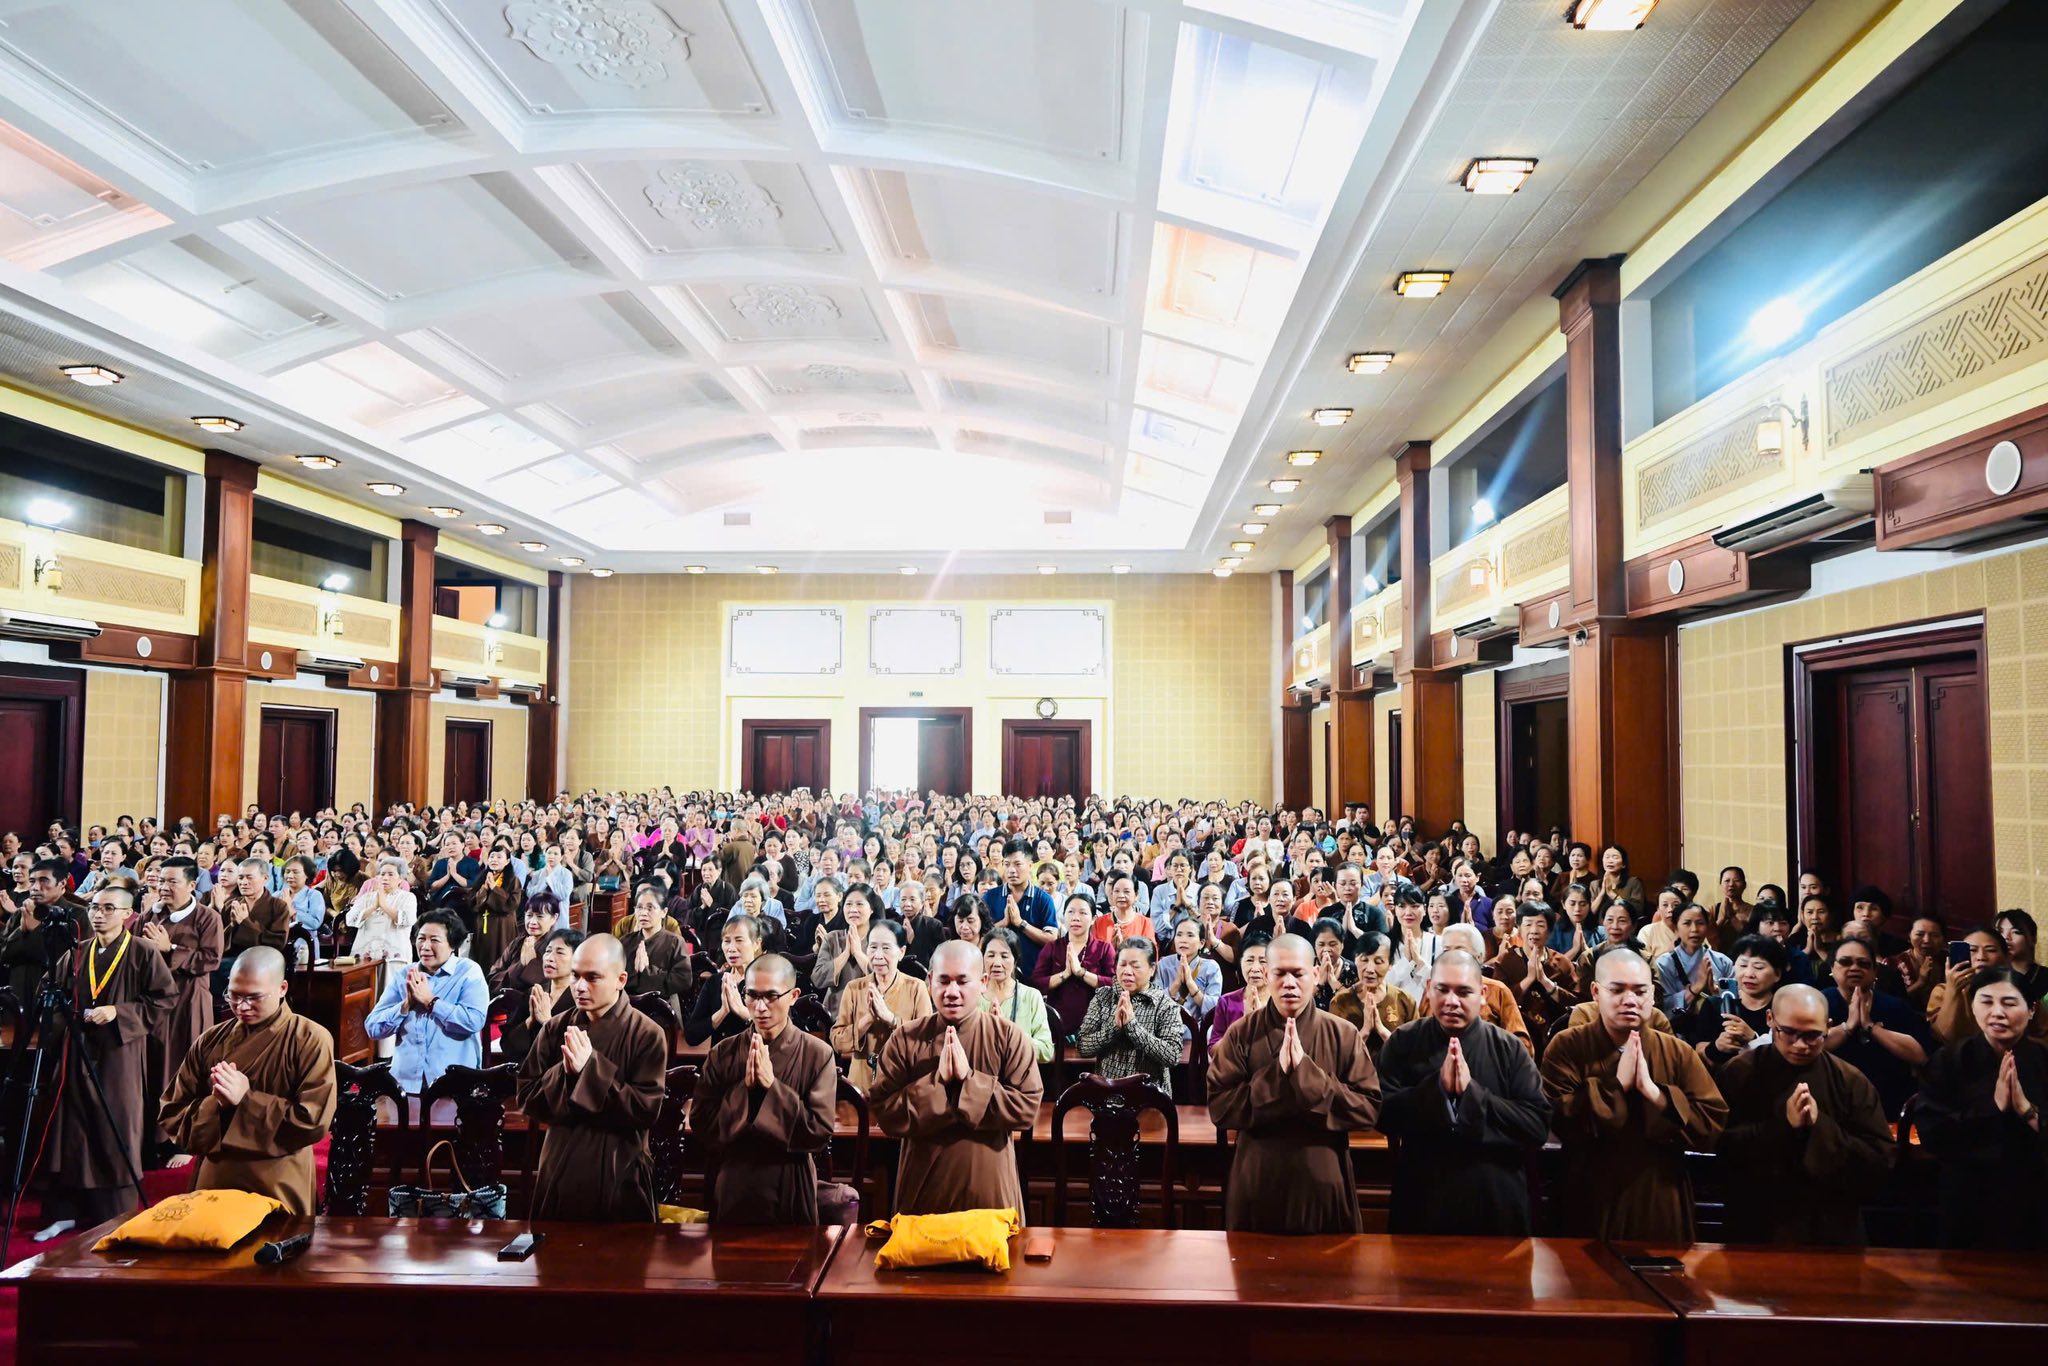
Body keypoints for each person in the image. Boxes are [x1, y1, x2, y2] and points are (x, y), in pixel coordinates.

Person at [1539, 947, 1728, 1240]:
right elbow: (1557, 1119)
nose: (1630, 1000)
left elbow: (1712, 1124)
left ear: (1652, 995)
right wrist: (1616, 1086)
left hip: (1659, 1192)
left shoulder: (1677, 1052)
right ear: (1596, 992)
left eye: (1640, 991)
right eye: (1617, 990)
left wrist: (1655, 1094)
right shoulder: (1567, 1046)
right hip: (1588, 1192)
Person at [1206, 933, 1381, 1234]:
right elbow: (1220, 1108)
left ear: (1315, 974)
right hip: (1257, 1183)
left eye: (1298, 974)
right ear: (1266, 975)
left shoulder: (1342, 1034)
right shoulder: (1241, 1034)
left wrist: (1307, 1076)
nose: (1289, 983)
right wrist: (1275, 1077)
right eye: (1280, 974)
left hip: (1324, 1184)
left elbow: (1368, 1109)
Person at [1375, 949, 1552, 1236]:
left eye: (1464, 991)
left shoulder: (1509, 1048)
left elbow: (1537, 1126)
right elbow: (1381, 1114)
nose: (1451, 1001)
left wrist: (1473, 1094)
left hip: (1495, 1199)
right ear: (1429, 989)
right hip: (1423, 1198)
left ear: (1482, 994)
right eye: (1442, 989)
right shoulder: (1404, 1041)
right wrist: (1436, 1090)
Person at [35, 884, 173, 1240]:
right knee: (71, 1127)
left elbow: (164, 999)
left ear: (128, 914)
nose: (99, 914)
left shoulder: (143, 951)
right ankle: (65, 1212)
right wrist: (70, 1015)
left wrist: (119, 1012)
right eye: (95, 907)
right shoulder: (78, 951)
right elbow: (49, 992)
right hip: (77, 1047)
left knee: (116, 1127)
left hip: (119, 1052)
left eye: (109, 908)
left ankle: (113, 1214)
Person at [156, 947, 337, 1215]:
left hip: (278, 1182)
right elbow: (172, 1112)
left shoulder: (310, 1039)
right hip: (215, 1179)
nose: (241, 1006)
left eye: (253, 997)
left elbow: (313, 1121)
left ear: (282, 988)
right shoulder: (210, 1040)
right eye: (233, 995)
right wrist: (216, 1105)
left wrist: (246, 1100)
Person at [869, 940, 1043, 1217]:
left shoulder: (1008, 1037)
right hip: (922, 1194)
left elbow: (1027, 1109)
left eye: (962, 981)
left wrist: (968, 1080)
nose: (952, 992)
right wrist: (937, 1082)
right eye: (943, 981)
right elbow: (884, 1113)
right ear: (930, 982)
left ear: (983, 982)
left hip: (991, 1197)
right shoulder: (906, 1038)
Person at [1714, 983, 1894, 1246]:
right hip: (1756, 1219)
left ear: (1828, 1027)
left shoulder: (1850, 1081)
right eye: (1788, 1032)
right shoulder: (1738, 1072)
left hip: (1831, 1223)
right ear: (1770, 1019)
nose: (1800, 1045)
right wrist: (1782, 1127)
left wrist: (1820, 1127)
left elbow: (1879, 1160)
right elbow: (1720, 1147)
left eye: (1812, 1035)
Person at [517, 935, 669, 1222]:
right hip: (560, 1164)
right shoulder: (556, 1028)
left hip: (619, 1169)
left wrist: (590, 1068)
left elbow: (645, 1110)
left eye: (593, 977)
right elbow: (527, 1096)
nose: (580, 987)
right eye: (575, 976)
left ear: (621, 979)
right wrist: (565, 1072)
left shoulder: (647, 1034)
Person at [689, 952, 838, 1225]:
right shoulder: (724, 1053)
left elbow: (818, 1132)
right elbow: (701, 1124)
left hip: (791, 1182)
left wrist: (773, 1087)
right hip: (735, 1180)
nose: (759, 1007)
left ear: (793, 996)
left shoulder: (818, 1054)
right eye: (752, 995)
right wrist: (744, 1091)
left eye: (771, 996)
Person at [1916, 966, 2048, 1249]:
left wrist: (2026, 1110)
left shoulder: (2043, 1060)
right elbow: (1932, 1132)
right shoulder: (1949, 1060)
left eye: (2009, 1003)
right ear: (1973, 1007)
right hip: (1967, 1195)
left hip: (2035, 1193)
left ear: (2031, 1009)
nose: (1997, 1012)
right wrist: (1993, 1108)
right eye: (1986, 1001)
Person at [137, 857, 222, 1153]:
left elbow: (211, 959)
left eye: (172, 881)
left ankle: (185, 1141)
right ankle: (154, 1136)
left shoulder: (207, 917)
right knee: (154, 1066)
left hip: (188, 1001)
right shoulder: (149, 916)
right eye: (162, 880)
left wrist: (169, 948)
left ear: (191, 884)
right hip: (153, 1002)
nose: (164, 887)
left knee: (185, 1066)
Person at [362, 911, 489, 1094]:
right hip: (405, 1083)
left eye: (434, 940)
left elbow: (473, 1021)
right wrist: (405, 1006)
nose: (425, 946)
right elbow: (373, 1028)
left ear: (452, 944)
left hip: (453, 1083)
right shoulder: (405, 974)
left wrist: (431, 1002)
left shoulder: (468, 972)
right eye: (421, 938)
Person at [1821, 937, 1929, 1119]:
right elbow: (1809, 1047)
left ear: (1874, 972)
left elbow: (1920, 1056)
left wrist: (1871, 1027)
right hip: (1832, 1100)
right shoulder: (1819, 1003)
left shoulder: (1894, 1006)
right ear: (1832, 968)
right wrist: (1847, 1027)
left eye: (1863, 964)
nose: (1855, 968)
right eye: (1846, 962)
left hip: (1889, 1100)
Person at [830, 921, 933, 1092]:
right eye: (872, 947)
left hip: (901, 1086)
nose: (877, 956)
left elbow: (926, 1042)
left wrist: (891, 1019)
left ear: (901, 952)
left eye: (886, 948)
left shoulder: (916, 988)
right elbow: (838, 1043)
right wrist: (867, 1019)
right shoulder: (854, 988)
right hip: (861, 1085)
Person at [1076, 938, 1184, 1092]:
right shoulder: (1103, 997)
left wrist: (1133, 1027)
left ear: (1152, 969)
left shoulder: (1165, 1005)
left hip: (1150, 1096)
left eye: (1135, 966)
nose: (1127, 971)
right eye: (1122, 964)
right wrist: (1113, 1029)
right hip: (1107, 1092)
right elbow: (1083, 1047)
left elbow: (1172, 1056)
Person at [1030, 892, 1114, 1040]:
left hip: (1095, 1028)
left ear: (1093, 919)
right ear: (1064, 916)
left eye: (1083, 913)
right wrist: (1064, 974)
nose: (1076, 918)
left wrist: (1081, 973)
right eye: (1070, 912)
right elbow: (1036, 983)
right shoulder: (1052, 947)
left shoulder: (1104, 948)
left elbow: (1115, 983)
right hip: (1058, 1026)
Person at [1326, 931, 1417, 1056]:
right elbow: (1335, 1054)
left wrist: (1382, 1031)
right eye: (1364, 960)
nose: (1370, 969)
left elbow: (1414, 1053)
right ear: (1355, 959)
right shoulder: (1340, 1002)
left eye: (1378, 962)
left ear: (1390, 964)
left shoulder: (1405, 1001)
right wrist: (1365, 1031)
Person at [501, 928, 582, 1063]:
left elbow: (577, 1054)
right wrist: (529, 1022)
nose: (549, 958)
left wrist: (547, 1022)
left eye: (560, 952)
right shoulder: (534, 993)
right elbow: (507, 1045)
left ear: (577, 959)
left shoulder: (580, 999)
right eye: (548, 951)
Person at [686, 914, 764, 1047]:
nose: (731, 948)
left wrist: (743, 1012)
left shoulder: (768, 981)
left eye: (739, 940)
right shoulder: (715, 981)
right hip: (720, 1057)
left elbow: (779, 1034)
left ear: (756, 943)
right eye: (727, 941)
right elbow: (691, 1036)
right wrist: (722, 1012)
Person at [983, 839, 1057, 979]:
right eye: (1007, 864)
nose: (1011, 870)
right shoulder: (990, 897)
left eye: (1017, 864)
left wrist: (1020, 923)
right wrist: (1003, 923)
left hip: (1033, 976)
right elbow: (980, 936)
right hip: (997, 975)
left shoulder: (1043, 899)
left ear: (1030, 866)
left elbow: (1051, 939)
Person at [978, 928, 1053, 1064]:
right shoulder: (972, 995)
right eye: (990, 955)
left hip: (1019, 1074)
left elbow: (1046, 1051)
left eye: (1004, 956)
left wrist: (1010, 1033)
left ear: (1015, 961)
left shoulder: (1031, 996)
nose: (997, 963)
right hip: (978, 1072)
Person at [619, 887, 692, 1013]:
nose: (643, 913)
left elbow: (683, 980)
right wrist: (636, 974)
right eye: (639, 907)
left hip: (661, 1008)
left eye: (650, 908)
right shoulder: (626, 941)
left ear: (664, 912)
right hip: (627, 1006)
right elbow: (614, 976)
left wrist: (647, 971)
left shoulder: (675, 942)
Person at [1208, 940, 1268, 1047]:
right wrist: (1244, 1024)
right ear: (1241, 963)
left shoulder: (1283, 1002)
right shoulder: (1226, 1002)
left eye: (1263, 961)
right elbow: (1214, 1049)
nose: (1255, 969)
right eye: (1249, 960)